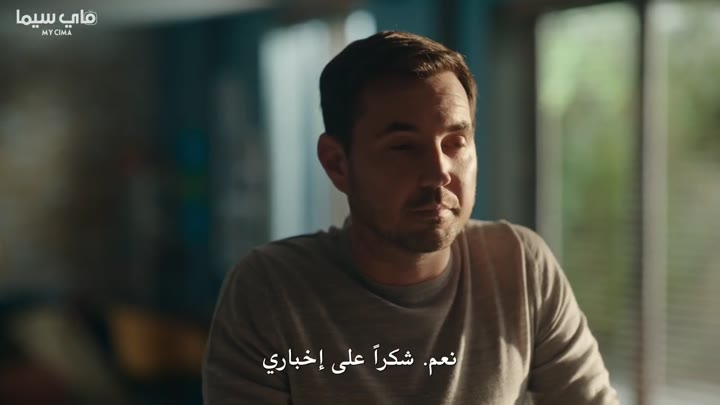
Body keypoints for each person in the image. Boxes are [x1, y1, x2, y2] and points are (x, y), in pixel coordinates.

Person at [202, 30, 618, 404]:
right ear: (337, 163)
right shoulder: (270, 292)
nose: (438, 172)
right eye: (403, 146)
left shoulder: (520, 266)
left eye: (455, 142)